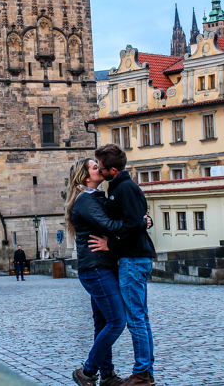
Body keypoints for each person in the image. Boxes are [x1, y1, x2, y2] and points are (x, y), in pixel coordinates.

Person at [90, 144, 157, 386]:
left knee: (136, 318)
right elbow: (137, 220)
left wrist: (111, 246)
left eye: (101, 167)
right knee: (141, 317)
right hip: (132, 258)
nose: (99, 169)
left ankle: (142, 374)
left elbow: (131, 225)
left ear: (113, 170)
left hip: (132, 259)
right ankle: (145, 371)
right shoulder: (118, 187)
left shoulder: (125, 188)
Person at [65, 157, 127, 386]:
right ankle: (88, 371)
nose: (99, 169)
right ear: (85, 176)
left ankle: (108, 375)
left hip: (99, 266)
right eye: (94, 167)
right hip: (96, 268)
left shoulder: (93, 198)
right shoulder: (86, 201)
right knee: (117, 321)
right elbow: (110, 226)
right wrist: (137, 222)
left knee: (103, 324)